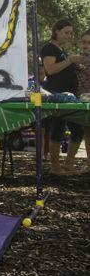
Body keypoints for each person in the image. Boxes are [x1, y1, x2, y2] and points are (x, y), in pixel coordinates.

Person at [41, 19, 88, 175]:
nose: (69, 36)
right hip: (57, 95)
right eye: (66, 32)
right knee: (57, 129)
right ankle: (55, 167)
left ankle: (68, 164)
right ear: (57, 31)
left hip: (70, 97)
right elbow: (51, 70)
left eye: (70, 33)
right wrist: (70, 60)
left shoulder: (60, 50)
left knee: (77, 130)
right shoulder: (49, 48)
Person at [76, 30, 90, 171]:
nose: (86, 45)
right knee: (87, 131)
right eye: (84, 42)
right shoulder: (77, 59)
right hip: (83, 99)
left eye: (89, 42)